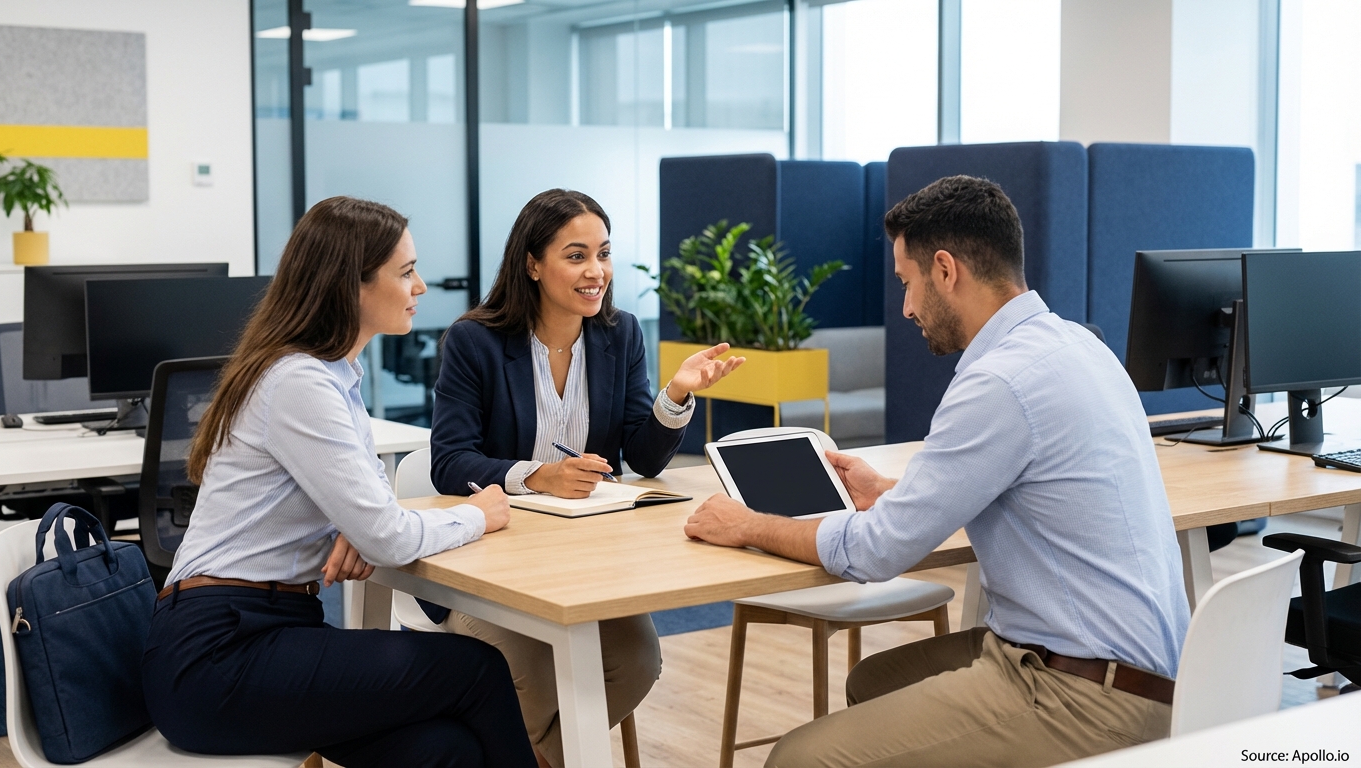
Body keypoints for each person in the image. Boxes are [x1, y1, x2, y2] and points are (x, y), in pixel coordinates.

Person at [685, 175, 1191, 767]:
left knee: (800, 758)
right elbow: (1019, 487)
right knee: (876, 681)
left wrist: (749, 524)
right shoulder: (1076, 345)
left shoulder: (998, 382)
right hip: (1144, 671)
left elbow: (874, 554)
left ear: (946, 270)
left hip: (1085, 697)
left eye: (907, 282)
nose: (904, 308)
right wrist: (891, 492)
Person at [141, 197, 537, 768]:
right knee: (477, 669)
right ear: (352, 285)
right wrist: (483, 513)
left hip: (271, 632)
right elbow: (391, 538)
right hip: (217, 655)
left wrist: (356, 525)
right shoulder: (299, 381)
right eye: (405, 272)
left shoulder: (333, 377)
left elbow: (375, 522)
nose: (421, 286)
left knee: (441, 750)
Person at [429, 188, 742, 766]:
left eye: (603, 253)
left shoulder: (619, 335)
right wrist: (536, 476)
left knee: (637, 662)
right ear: (532, 263)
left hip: (585, 558)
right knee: (521, 679)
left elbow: (643, 459)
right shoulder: (474, 341)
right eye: (575, 256)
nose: (595, 271)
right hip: (490, 560)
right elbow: (448, 461)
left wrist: (676, 394)